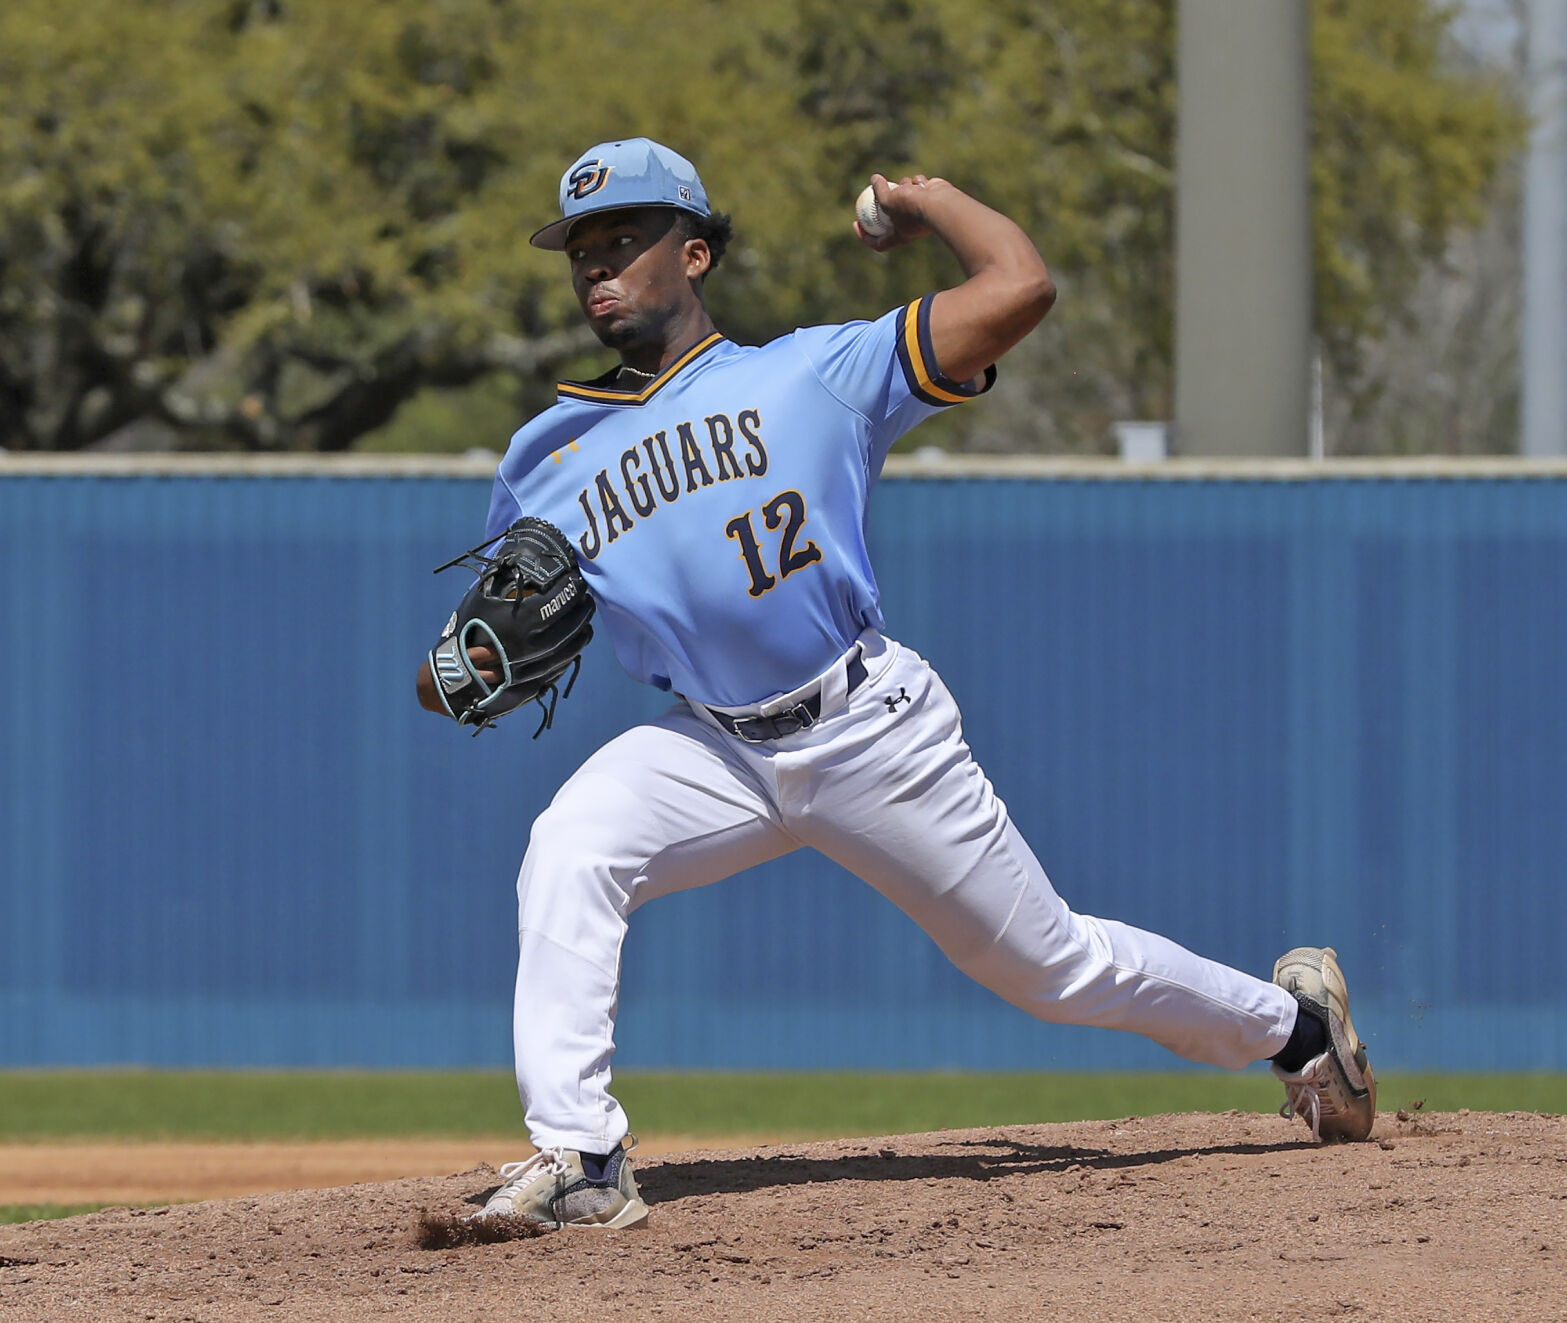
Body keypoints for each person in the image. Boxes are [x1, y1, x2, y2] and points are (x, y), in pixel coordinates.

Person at [415, 138, 1376, 1232]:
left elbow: (1020, 289)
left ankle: (1293, 1028)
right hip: (714, 746)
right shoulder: (546, 454)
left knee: (1049, 969)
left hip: (864, 726)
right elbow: (484, 645)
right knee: (571, 848)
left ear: (694, 254)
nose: (598, 266)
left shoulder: (818, 373)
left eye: (624, 239)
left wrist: (933, 201)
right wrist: (453, 675)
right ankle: (581, 1157)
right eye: (582, 248)